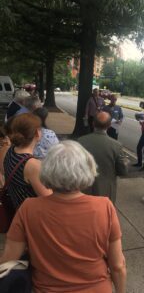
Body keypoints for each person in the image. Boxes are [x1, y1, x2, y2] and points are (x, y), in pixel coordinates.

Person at [0, 141, 126, 293]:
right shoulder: (104, 206)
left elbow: (9, 259)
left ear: (47, 170)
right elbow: (118, 266)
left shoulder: (29, 208)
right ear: (87, 169)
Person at [3, 113, 52, 211]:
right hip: (31, 216)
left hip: (17, 209)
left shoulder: (10, 150)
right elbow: (50, 199)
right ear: (37, 133)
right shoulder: (32, 165)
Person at [78, 112, 128, 203]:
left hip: (83, 189)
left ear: (93, 123)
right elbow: (123, 171)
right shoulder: (116, 145)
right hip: (105, 193)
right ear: (109, 125)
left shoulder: (80, 142)